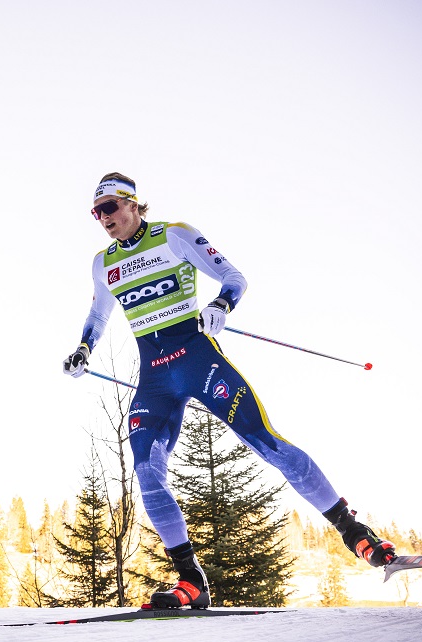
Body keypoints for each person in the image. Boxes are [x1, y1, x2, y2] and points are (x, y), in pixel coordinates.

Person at [63, 172, 395, 609]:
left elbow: (234, 278)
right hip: (155, 379)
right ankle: (191, 580)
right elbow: (99, 315)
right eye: (96, 212)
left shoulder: (174, 236)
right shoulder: (103, 262)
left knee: (268, 445)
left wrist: (221, 305)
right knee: (146, 472)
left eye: (110, 208)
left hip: (198, 360)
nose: (103, 218)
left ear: (133, 204)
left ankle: (355, 532)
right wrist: (83, 349)